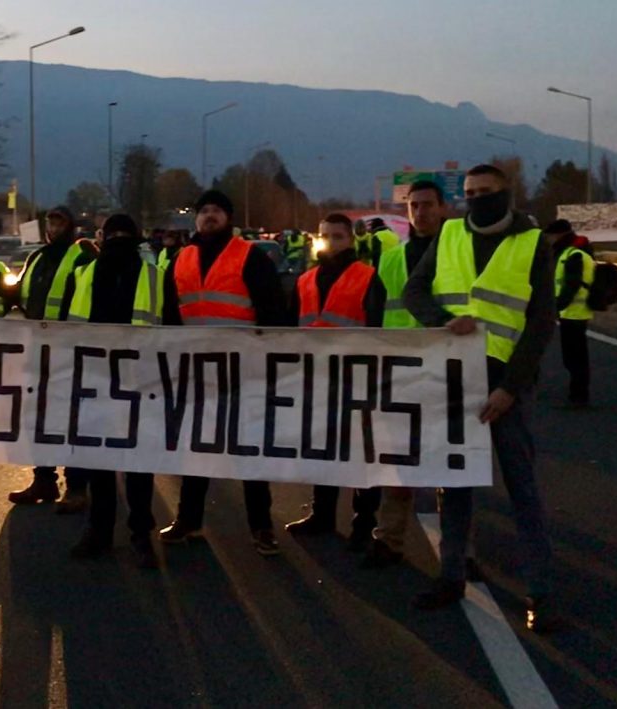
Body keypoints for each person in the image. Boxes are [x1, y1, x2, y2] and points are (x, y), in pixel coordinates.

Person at [403, 164, 557, 632]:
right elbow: (414, 291)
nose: (476, 199)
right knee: (456, 485)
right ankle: (451, 576)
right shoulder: (450, 234)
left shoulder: (532, 242)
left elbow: (540, 321)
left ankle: (541, 593)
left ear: (506, 193)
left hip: (507, 385)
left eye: (485, 191)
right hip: (456, 379)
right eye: (469, 193)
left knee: (522, 490)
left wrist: (510, 388)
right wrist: (442, 320)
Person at [160, 190, 287, 556]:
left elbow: (272, 312)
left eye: (216, 210)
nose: (209, 216)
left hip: (244, 370)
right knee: (196, 448)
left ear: (228, 218)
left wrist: (267, 362)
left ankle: (261, 527)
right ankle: (189, 520)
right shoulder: (181, 259)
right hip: (197, 371)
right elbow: (170, 315)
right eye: (203, 211)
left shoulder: (251, 257)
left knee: (249, 450)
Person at [62, 213, 163, 568]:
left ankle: (115, 532)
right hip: (123, 381)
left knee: (118, 462)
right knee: (121, 462)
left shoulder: (90, 273)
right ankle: (127, 534)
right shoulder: (150, 274)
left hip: (116, 382)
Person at [284, 212, 385, 549]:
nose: (330, 242)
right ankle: (322, 514)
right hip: (315, 378)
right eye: (325, 235)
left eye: (338, 236)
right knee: (322, 449)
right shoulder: (305, 280)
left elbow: (377, 329)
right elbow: (291, 330)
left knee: (361, 454)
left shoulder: (367, 278)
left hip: (356, 379)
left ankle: (364, 523)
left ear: (351, 240)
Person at [363, 180, 445, 567]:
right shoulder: (391, 259)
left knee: (449, 462)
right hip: (399, 370)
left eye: (428, 204)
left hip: (446, 369)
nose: (421, 212)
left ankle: (459, 550)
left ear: (443, 208)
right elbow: (374, 315)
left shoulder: (458, 253)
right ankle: (389, 539)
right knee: (397, 459)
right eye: (414, 206)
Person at [7, 206, 98, 511]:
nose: (53, 227)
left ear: (70, 226)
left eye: (59, 222)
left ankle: (76, 486)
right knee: (38, 418)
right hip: (37, 350)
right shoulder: (36, 258)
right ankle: (43, 479)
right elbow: (23, 296)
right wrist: (6, 293)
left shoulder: (83, 257)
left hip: (70, 351)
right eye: (50, 222)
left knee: (73, 419)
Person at [545, 219, 595, 406]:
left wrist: (556, 306)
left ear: (559, 235)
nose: (549, 239)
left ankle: (579, 395)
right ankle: (577, 393)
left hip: (575, 311)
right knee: (573, 356)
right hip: (571, 312)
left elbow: (571, 285)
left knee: (576, 357)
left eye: (550, 235)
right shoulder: (569, 252)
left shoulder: (574, 255)